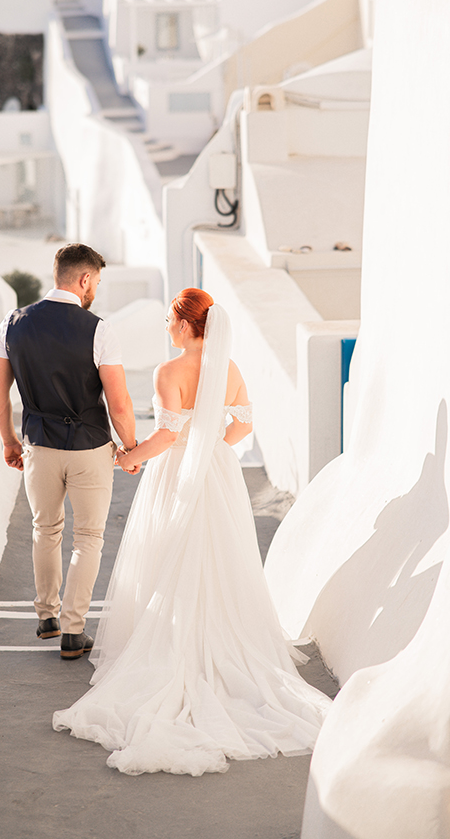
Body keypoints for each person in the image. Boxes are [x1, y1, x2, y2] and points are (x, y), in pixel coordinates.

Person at [53, 288, 332, 775]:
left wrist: (129, 458)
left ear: (185, 326)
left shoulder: (168, 372)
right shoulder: (232, 368)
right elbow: (243, 428)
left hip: (177, 472)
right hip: (217, 473)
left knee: (168, 553)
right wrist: (210, 448)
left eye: (168, 319)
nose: (165, 325)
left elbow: (164, 436)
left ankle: (176, 642)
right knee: (220, 556)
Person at [0, 243, 138, 660]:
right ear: (85, 279)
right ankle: (74, 631)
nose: (96, 291)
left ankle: (46, 617)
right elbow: (120, 403)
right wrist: (130, 446)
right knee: (88, 537)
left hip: (38, 444)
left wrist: (9, 441)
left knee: (45, 529)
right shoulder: (99, 329)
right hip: (90, 446)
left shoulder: (12, 323)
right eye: (97, 283)